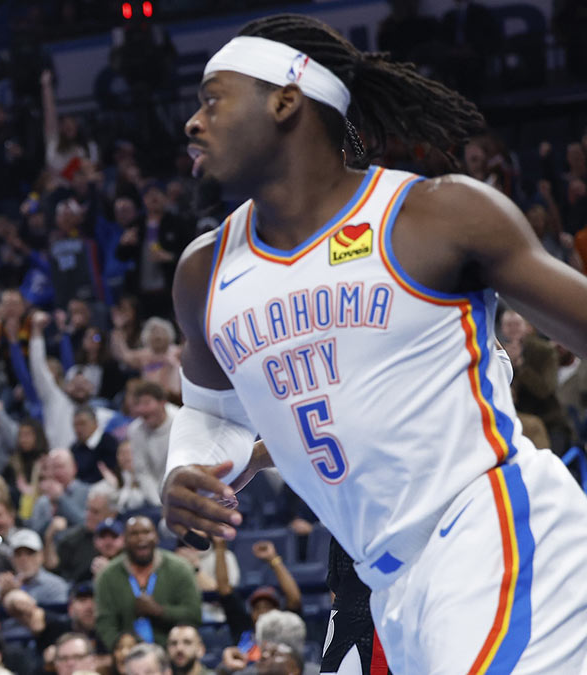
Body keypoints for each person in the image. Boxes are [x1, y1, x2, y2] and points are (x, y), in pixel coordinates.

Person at [160, 14, 587, 673]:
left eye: (213, 99)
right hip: (385, 583)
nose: (193, 121)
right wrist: (185, 472)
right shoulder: (204, 272)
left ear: (286, 99)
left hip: (493, 531)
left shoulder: (432, 216)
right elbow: (211, 417)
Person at [95, 516, 201, 649]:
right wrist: (119, 649)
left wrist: (159, 611)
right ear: (124, 540)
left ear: (156, 536)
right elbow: (105, 624)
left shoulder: (180, 568)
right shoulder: (107, 576)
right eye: (134, 534)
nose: (141, 538)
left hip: (172, 652)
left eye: (146, 532)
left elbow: (194, 615)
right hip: (128, 655)